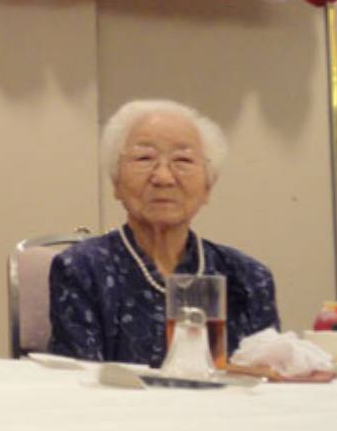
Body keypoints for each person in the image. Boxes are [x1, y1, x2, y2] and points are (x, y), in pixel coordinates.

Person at [47, 99, 278, 366]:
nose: (164, 177)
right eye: (144, 158)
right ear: (116, 182)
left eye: (183, 160)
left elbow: (268, 381)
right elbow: (79, 381)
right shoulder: (82, 269)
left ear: (208, 187)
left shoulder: (248, 277)